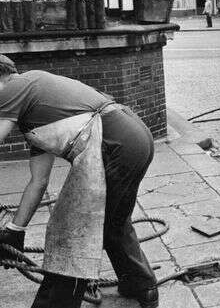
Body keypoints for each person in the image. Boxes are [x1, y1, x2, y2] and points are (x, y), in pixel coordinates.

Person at [0, 56, 158, 308]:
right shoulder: (34, 109)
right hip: (132, 137)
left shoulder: (14, 87)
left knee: (75, 230)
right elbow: (38, 183)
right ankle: (141, 285)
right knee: (113, 221)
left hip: (115, 143)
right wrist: (15, 230)